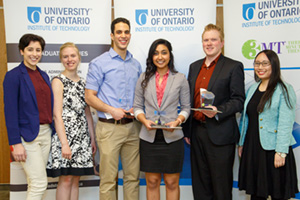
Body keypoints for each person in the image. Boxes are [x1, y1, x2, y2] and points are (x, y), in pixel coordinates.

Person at [182, 24, 245, 200]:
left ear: (222, 42)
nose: (209, 43)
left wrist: (218, 110)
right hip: (197, 133)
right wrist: (187, 129)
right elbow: (188, 99)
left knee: (221, 186)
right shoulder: (194, 66)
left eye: (213, 39)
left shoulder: (233, 66)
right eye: (206, 40)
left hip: (220, 134)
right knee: (200, 185)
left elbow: (239, 100)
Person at [85, 17, 142, 200]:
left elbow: (140, 94)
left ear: (130, 35)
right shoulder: (99, 63)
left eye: (126, 32)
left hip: (133, 128)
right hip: (109, 129)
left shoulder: (136, 64)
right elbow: (89, 96)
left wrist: (137, 108)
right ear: (112, 35)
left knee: (132, 178)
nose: (123, 36)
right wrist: (111, 110)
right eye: (119, 32)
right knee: (109, 180)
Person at [133, 39, 190, 200]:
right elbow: (137, 106)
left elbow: (186, 108)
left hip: (172, 138)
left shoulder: (180, 78)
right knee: (152, 181)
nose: (160, 56)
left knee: (172, 182)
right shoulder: (143, 78)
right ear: (151, 56)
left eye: (164, 52)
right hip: (149, 138)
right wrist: (144, 120)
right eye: (156, 53)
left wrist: (177, 121)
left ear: (169, 56)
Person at [238, 49, 298, 200]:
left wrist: (281, 152)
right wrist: (242, 143)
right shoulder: (252, 89)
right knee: (256, 194)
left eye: (265, 63)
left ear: (274, 65)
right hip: (253, 149)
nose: (260, 67)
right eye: (257, 63)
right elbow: (246, 119)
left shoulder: (284, 89)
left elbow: (286, 123)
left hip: (273, 150)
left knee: (277, 193)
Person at [3, 33, 54, 200]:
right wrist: (15, 143)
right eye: (30, 49)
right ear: (21, 51)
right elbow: (10, 112)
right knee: (39, 183)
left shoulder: (43, 75)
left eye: (38, 50)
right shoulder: (13, 76)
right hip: (27, 136)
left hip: (46, 133)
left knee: (35, 182)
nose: (34, 53)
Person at [46, 42, 96, 200]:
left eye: (72, 55)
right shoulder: (58, 81)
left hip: (82, 138)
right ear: (61, 59)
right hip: (65, 137)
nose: (69, 59)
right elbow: (56, 115)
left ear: (79, 58)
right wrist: (64, 144)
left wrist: (92, 139)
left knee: (75, 179)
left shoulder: (83, 83)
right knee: (66, 178)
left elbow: (87, 113)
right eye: (65, 56)